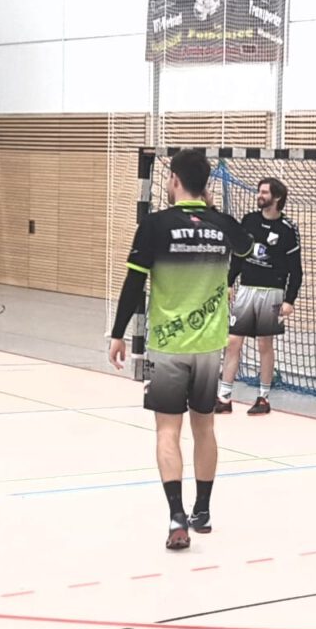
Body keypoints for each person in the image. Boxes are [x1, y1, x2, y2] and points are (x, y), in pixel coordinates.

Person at [107, 148, 245, 551]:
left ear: (174, 180)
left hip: (168, 346)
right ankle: (203, 510)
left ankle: (175, 516)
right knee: (205, 427)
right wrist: (213, 215)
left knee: (168, 431)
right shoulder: (222, 224)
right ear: (205, 185)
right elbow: (246, 248)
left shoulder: (155, 225)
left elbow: (134, 283)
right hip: (209, 345)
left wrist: (118, 333)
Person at [217, 176, 303, 415]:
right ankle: (223, 397)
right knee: (233, 341)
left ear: (277, 197)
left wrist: (290, 300)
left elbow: (296, 270)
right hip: (246, 289)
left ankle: (263, 398)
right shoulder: (249, 221)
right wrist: (229, 282)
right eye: (259, 191)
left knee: (265, 344)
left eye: (264, 192)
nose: (259, 196)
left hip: (272, 293)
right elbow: (238, 255)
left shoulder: (287, 229)